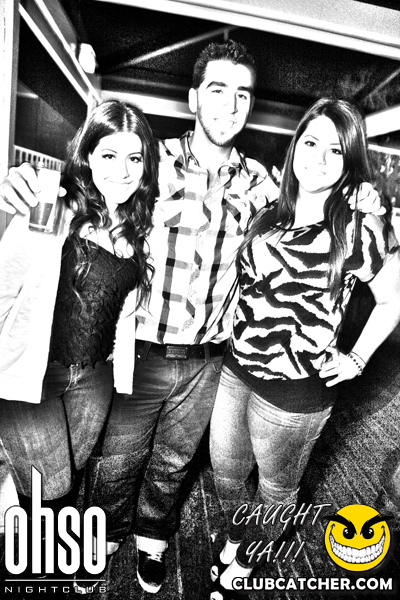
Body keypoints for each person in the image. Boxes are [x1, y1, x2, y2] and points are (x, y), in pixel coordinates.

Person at [0, 41, 384, 594]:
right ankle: (105, 537)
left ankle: (153, 537)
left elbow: (315, 203)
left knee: (175, 461)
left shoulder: (263, 185)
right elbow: (90, 184)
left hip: (211, 360)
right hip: (140, 351)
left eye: (242, 94)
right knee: (116, 460)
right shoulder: (149, 165)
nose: (230, 105)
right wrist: (27, 183)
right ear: (193, 99)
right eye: (217, 90)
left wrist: (362, 196)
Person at [208, 98, 400, 600]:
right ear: (295, 148)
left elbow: (393, 298)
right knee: (226, 472)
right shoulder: (267, 213)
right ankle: (237, 536)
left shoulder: (356, 227)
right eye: (310, 143)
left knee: (276, 489)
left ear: (349, 162)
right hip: (236, 367)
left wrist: (357, 358)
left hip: (297, 391)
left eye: (335, 150)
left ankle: (246, 560)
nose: (318, 157)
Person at [0, 100, 158, 578]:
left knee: (66, 483)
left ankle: (39, 559)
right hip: (32, 377)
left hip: (95, 379)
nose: (122, 171)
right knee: (49, 492)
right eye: (109, 155)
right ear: (88, 155)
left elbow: (122, 315)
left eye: (134, 158)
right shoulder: (54, 203)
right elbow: (4, 286)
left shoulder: (138, 228)